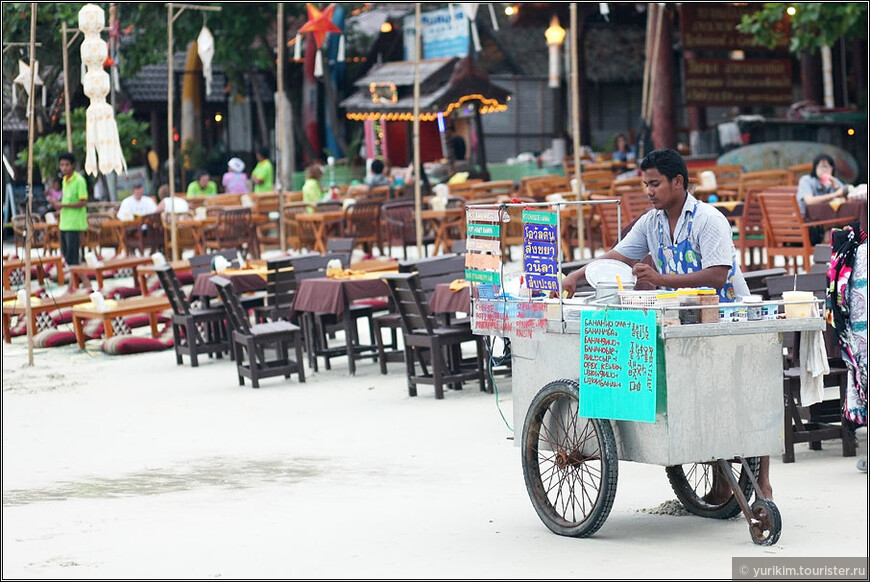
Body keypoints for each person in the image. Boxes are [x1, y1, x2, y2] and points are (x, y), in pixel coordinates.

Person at [561, 148, 771, 499]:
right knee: (700, 397)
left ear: (678, 182)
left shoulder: (709, 219)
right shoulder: (652, 222)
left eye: (655, 183)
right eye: (645, 184)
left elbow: (718, 276)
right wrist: (576, 275)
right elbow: (618, 256)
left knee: (746, 395)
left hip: (725, 318)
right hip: (680, 322)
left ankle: (762, 482)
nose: (649, 191)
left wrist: (660, 279)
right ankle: (716, 474)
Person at [52, 152, 89, 268]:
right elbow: (67, 201)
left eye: (67, 165)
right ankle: (78, 281)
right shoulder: (64, 181)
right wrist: (59, 208)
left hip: (75, 223)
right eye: (62, 165)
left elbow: (83, 202)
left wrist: (63, 206)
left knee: (73, 258)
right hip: (64, 223)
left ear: (72, 165)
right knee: (66, 256)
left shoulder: (79, 180)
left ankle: (76, 283)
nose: (64, 168)